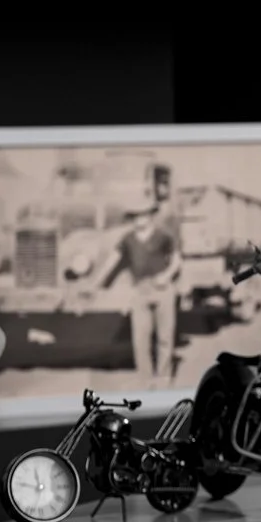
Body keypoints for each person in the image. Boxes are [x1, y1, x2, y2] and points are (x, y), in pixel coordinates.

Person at [102, 163, 183, 387]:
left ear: (150, 215)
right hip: (140, 292)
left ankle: (164, 377)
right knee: (141, 340)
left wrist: (166, 277)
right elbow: (113, 260)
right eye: (135, 216)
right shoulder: (127, 238)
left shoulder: (164, 235)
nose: (140, 219)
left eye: (144, 214)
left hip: (163, 290)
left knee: (165, 338)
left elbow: (177, 260)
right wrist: (96, 282)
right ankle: (146, 380)